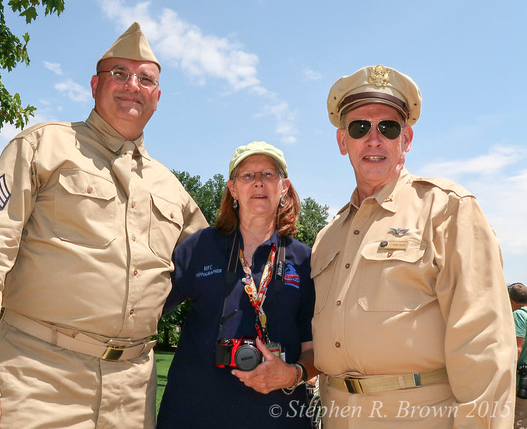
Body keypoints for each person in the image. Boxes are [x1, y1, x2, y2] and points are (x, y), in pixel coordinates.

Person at [0, 22, 207, 428]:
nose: (131, 85)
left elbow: (222, 263)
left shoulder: (172, 189)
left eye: (145, 79)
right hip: (38, 380)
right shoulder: (41, 147)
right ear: (94, 84)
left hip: (134, 396)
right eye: (118, 73)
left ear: (157, 97)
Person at [311, 64, 515, 427]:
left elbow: (484, 345)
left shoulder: (447, 208)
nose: (374, 139)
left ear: (406, 140)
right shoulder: (328, 236)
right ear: (343, 142)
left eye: (387, 128)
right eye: (359, 128)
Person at [156, 141, 317, 428]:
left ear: (284, 187)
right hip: (192, 414)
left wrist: (294, 374)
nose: (258, 183)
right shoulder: (199, 246)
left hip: (277, 417)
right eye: (247, 175)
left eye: (269, 175)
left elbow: (316, 349)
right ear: (232, 189)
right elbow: (146, 309)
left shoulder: (306, 260)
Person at [509, 282, 527, 427]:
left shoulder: (518, 315)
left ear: (510, 300)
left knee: (519, 420)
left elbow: (518, 348)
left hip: (522, 378)